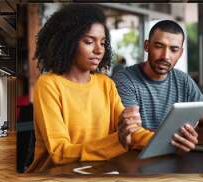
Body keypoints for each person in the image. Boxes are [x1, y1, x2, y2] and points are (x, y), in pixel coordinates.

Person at [27, 4, 150, 172]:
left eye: (103, 43)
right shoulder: (49, 84)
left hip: (97, 172)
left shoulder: (105, 83)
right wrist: (119, 141)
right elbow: (59, 153)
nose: (99, 50)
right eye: (89, 42)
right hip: (54, 177)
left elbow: (130, 133)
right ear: (68, 42)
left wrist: (167, 139)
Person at [112, 20, 203, 153]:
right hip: (135, 160)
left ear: (180, 53)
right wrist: (200, 138)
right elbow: (133, 134)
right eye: (158, 46)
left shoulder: (183, 80)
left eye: (174, 49)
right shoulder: (125, 80)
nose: (165, 56)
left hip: (177, 157)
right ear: (147, 46)